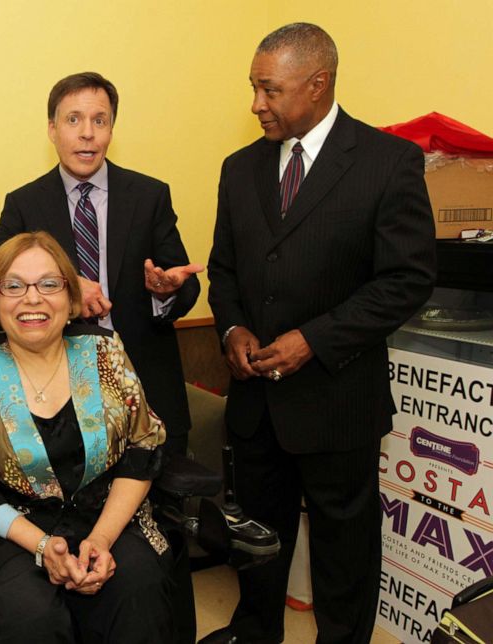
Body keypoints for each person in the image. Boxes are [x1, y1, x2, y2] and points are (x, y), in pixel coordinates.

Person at [203, 23, 436, 644]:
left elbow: (406, 280)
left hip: (338, 402)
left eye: (269, 90)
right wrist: (230, 327)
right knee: (257, 545)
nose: (256, 104)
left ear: (318, 84)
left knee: (344, 554)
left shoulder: (387, 163)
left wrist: (317, 338)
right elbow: (223, 269)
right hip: (256, 405)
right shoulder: (239, 169)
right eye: (253, 88)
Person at [0, 231, 175, 643]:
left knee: (140, 592)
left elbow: (142, 447)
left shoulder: (105, 352)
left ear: (70, 296)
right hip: (7, 529)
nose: (32, 299)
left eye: (49, 284)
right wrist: (44, 546)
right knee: (32, 617)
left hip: (105, 515)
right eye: (13, 285)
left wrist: (100, 539)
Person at [0, 71, 202, 457]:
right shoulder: (27, 203)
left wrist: (167, 290)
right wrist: (66, 282)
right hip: (61, 397)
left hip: (148, 389)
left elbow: (183, 282)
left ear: (111, 130)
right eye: (73, 120)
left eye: (99, 120)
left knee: (162, 511)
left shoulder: (149, 195)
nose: (87, 133)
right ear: (52, 129)